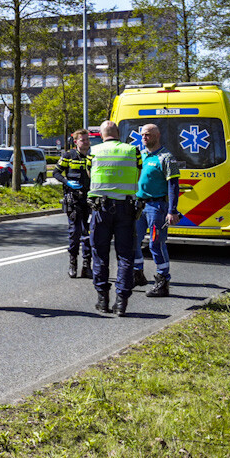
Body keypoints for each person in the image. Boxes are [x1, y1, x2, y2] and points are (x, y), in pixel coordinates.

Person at [87, 120, 142, 316]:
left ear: (101, 134)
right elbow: (139, 172)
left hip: (101, 209)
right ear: (118, 133)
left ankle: (102, 300)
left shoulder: (94, 151)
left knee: (100, 254)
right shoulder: (133, 150)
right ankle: (121, 302)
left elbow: (89, 173)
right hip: (126, 208)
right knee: (125, 255)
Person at [134, 122, 177, 299]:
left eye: (148, 135)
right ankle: (137, 273)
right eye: (143, 135)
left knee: (155, 244)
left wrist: (172, 210)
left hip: (157, 207)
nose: (144, 138)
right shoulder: (140, 155)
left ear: (157, 135)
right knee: (133, 240)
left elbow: (173, 185)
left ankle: (163, 281)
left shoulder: (166, 157)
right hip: (138, 205)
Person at [58, 130, 93, 280]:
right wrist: (67, 182)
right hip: (74, 200)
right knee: (75, 233)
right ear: (76, 142)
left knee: (89, 234)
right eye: (82, 140)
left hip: (90, 199)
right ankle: (73, 263)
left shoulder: (93, 156)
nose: (85, 142)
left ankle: (87, 265)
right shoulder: (68, 156)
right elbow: (56, 173)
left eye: (87, 140)